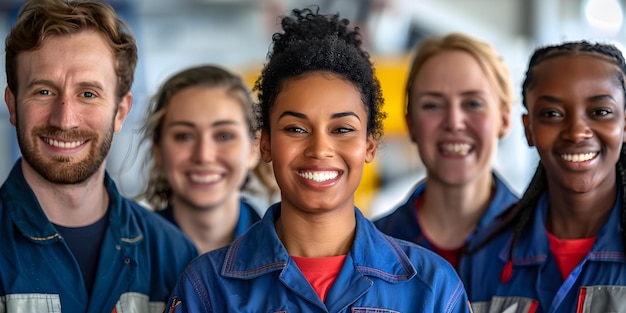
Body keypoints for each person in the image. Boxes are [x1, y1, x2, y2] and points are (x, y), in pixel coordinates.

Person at [165, 7, 471, 312]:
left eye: (341, 129)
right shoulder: (206, 288)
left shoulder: (432, 288)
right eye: (296, 129)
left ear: (369, 146)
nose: (319, 148)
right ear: (266, 143)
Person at [0, 0, 197, 311]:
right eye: (43, 91)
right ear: (12, 105)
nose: (64, 119)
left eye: (88, 94)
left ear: (120, 111)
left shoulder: (173, 255)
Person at [459, 41, 626, 312]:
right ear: (529, 129)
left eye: (600, 112)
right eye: (552, 114)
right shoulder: (484, 256)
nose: (576, 132)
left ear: (624, 123)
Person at [374, 33, 519, 268]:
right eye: (432, 105)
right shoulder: (369, 249)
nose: (454, 122)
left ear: (504, 119)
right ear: (410, 123)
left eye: (473, 103)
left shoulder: (543, 243)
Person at [138, 64, 262, 254]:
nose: (204, 155)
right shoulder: (128, 260)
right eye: (184, 136)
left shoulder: (290, 253)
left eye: (224, 136)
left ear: (254, 148)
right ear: (158, 148)